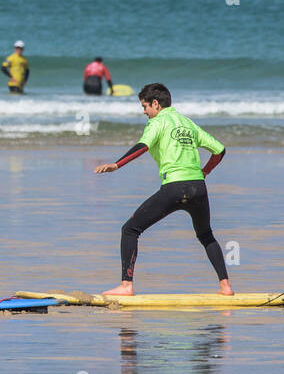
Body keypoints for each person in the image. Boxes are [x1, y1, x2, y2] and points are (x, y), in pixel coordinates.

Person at [92, 83, 232, 296]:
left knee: (130, 230)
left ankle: (126, 286)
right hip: (198, 188)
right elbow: (220, 150)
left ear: (155, 104)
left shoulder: (157, 122)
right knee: (206, 235)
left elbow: (143, 146)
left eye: (145, 107)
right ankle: (225, 286)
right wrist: (205, 172)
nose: (144, 112)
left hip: (174, 188)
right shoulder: (188, 123)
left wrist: (116, 165)